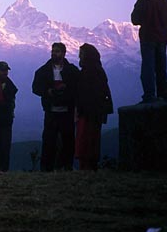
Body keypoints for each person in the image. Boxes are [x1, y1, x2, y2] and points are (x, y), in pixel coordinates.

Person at [32, 42, 79, 171]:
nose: (54, 53)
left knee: (68, 141)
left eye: (57, 51)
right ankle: (46, 168)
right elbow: (35, 88)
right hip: (51, 111)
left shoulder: (72, 71)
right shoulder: (43, 71)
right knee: (49, 141)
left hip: (67, 111)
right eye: (53, 51)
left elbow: (78, 88)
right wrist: (47, 91)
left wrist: (67, 89)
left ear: (64, 53)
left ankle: (66, 166)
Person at [131, 0, 167, 103]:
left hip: (148, 38)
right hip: (163, 38)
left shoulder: (142, 1)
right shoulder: (165, 1)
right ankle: (163, 93)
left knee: (148, 67)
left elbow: (135, 19)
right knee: (161, 67)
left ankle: (149, 95)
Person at [75, 43, 113, 171]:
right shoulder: (97, 70)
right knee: (91, 139)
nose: (79, 57)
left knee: (86, 139)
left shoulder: (90, 71)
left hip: (89, 112)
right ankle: (89, 165)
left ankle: (87, 166)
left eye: (81, 54)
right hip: (93, 112)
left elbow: (89, 93)